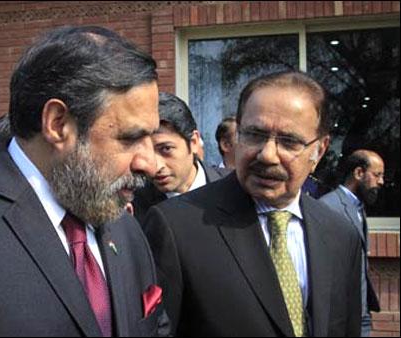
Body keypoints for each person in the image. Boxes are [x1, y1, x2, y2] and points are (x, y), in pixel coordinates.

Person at [0, 26, 170, 337]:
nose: (150, 163)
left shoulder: (127, 230)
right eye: (130, 138)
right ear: (57, 124)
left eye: (153, 137)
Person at [143, 71, 362, 336]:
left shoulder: (340, 235)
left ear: (320, 150)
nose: (267, 155)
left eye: (289, 141)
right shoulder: (175, 227)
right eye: (255, 135)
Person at [132, 92, 228, 225]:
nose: (155, 166)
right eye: (146, 152)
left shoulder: (235, 190)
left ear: (193, 142)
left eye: (166, 149)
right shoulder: (132, 207)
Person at [320, 149, 383, 336]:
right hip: (342, 315)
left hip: (361, 309)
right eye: (377, 175)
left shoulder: (358, 206)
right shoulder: (329, 207)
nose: (381, 181)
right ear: (358, 173)